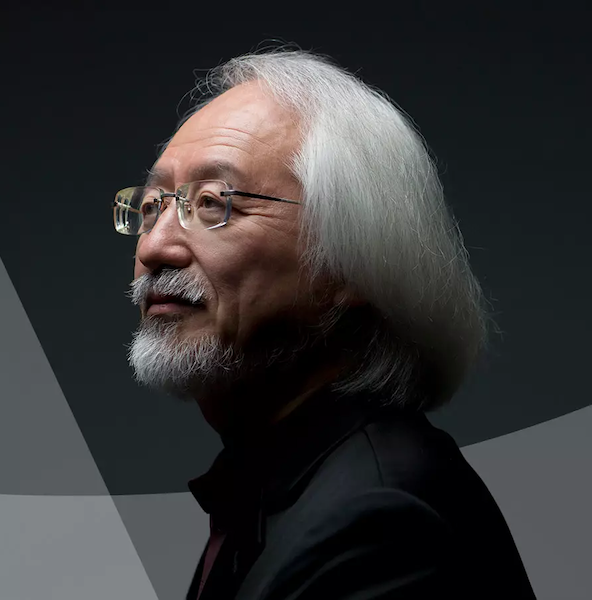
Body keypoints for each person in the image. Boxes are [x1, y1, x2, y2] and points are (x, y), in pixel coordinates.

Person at [112, 48, 536, 599]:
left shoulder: (379, 525)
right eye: (151, 206)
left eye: (214, 203)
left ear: (347, 262)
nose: (156, 246)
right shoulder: (281, 492)